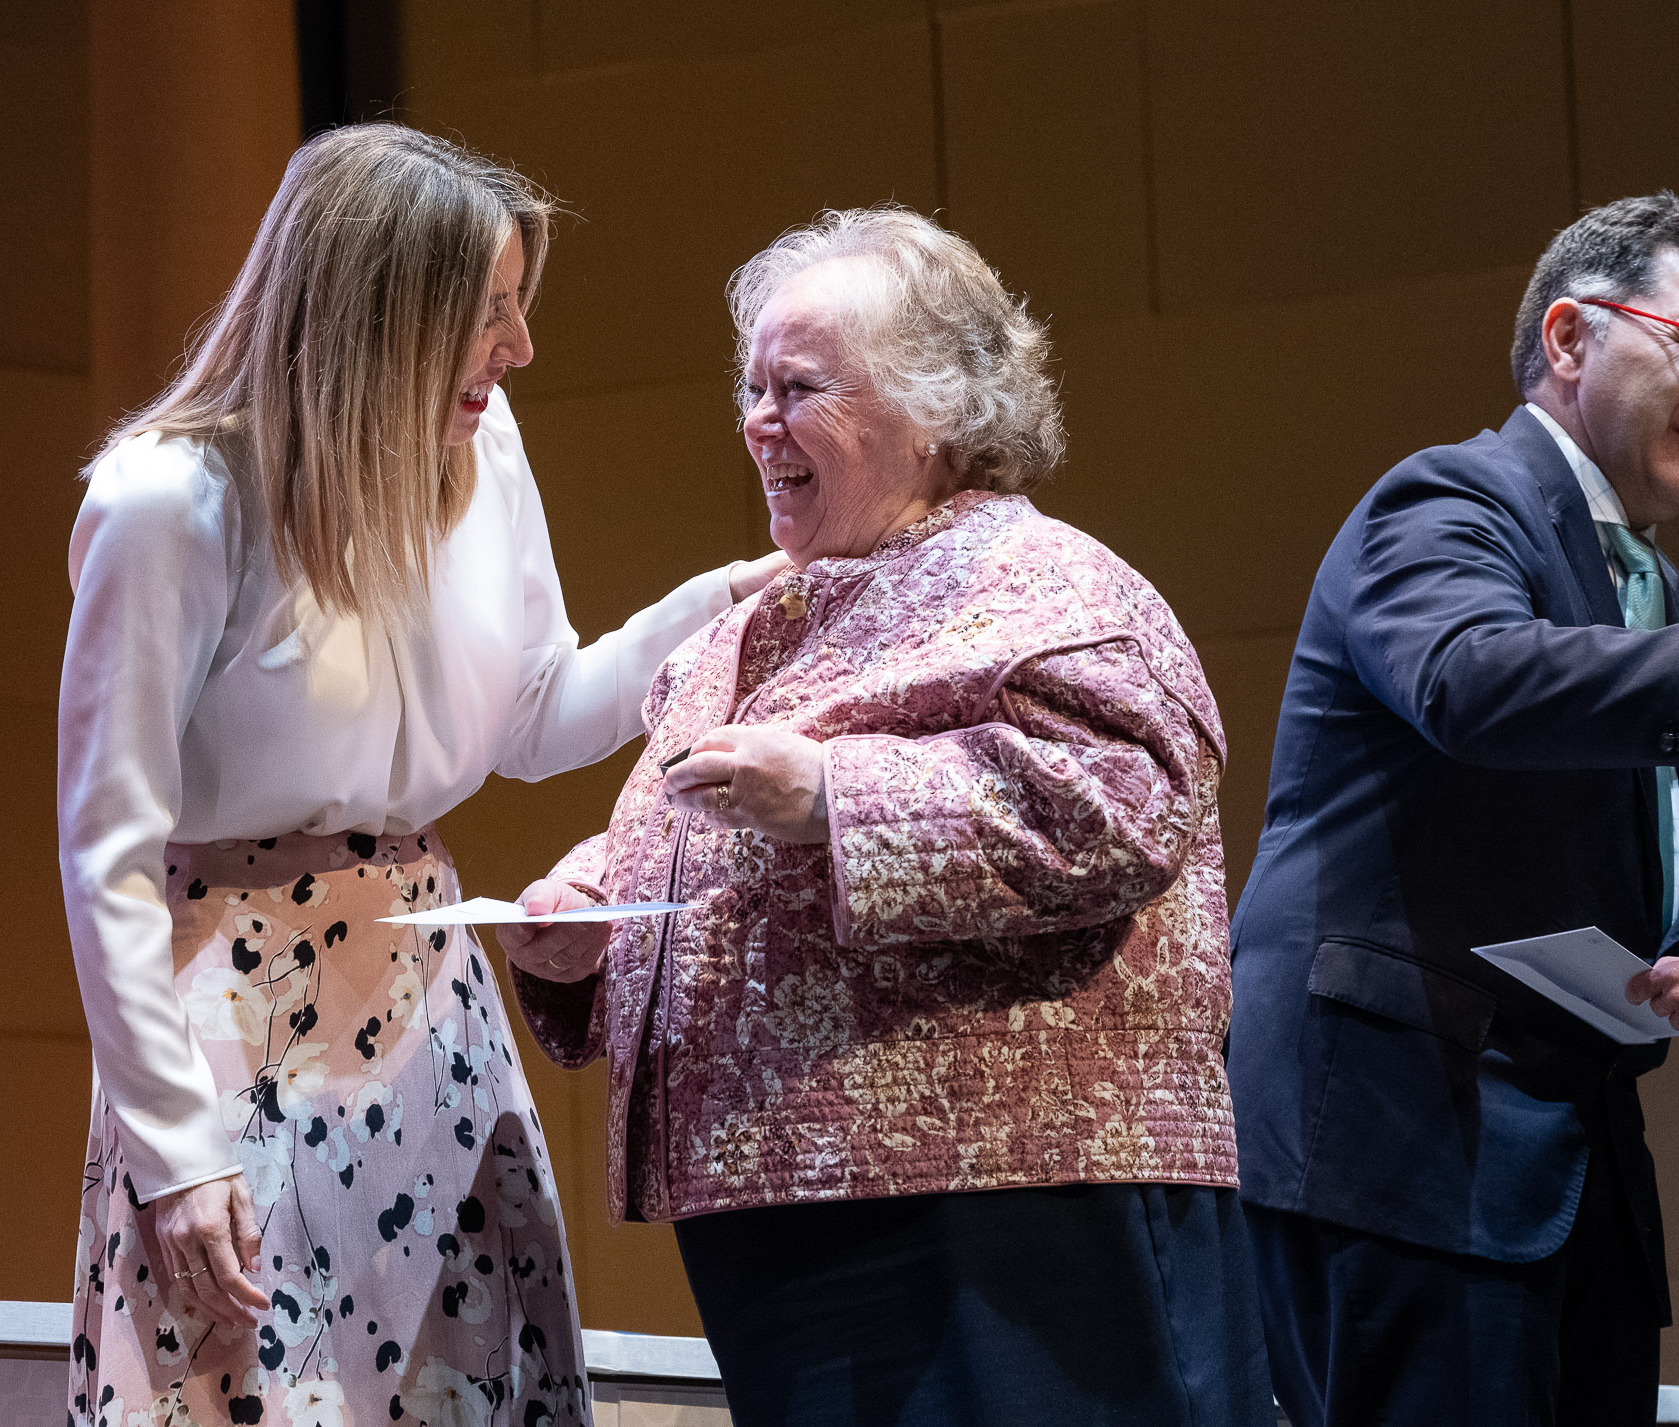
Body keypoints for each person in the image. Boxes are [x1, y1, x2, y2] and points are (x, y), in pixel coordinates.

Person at [58, 123, 782, 1427]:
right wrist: (173, 1152)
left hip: (426, 1000)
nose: (519, 350)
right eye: (490, 312)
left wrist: (727, 608)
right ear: (380, 310)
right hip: (241, 1016)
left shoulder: (480, 450)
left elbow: (536, 710)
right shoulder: (170, 502)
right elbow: (107, 850)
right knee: (256, 1392)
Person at [501, 207, 1268, 1427]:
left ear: (935, 410)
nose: (758, 420)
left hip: (1007, 1210)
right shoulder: (757, 620)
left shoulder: (1049, 583)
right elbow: (707, 825)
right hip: (793, 1216)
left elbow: (1127, 803)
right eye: (750, 386)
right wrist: (594, 912)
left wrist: (834, 794)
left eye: (798, 386)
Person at [1229, 192, 1679, 1426]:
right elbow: (1468, 677)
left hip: (1570, 1156)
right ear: (1573, 337)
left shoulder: (1653, 584)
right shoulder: (1441, 500)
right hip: (1402, 1146)